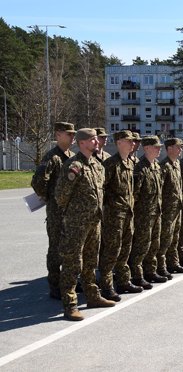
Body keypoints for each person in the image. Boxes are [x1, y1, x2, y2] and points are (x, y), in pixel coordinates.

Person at [54, 128, 116, 320]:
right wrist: (73, 214)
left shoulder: (97, 165)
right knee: (73, 264)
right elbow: (61, 196)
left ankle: (93, 296)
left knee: (91, 262)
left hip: (94, 222)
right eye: (92, 139)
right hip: (76, 224)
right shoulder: (73, 166)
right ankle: (70, 305)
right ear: (81, 143)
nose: (97, 142)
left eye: (96, 139)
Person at [31, 121, 76, 299]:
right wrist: (50, 198)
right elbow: (38, 182)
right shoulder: (51, 157)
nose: (72, 137)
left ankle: (69, 281)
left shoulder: (72, 156)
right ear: (58, 134)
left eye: (73, 134)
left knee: (70, 249)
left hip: (72, 212)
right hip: (57, 213)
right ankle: (55, 285)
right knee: (56, 250)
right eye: (68, 134)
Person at [98, 130, 140, 301]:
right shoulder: (110, 164)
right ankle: (106, 286)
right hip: (114, 215)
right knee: (111, 250)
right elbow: (102, 189)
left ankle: (123, 281)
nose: (133, 144)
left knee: (125, 249)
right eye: (128, 141)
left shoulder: (130, 164)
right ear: (119, 143)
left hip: (128, 213)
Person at [130, 136, 165, 288]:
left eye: (159, 146)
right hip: (144, 214)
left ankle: (150, 271)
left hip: (156, 212)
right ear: (147, 148)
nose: (159, 149)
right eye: (156, 146)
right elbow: (135, 194)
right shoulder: (140, 168)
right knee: (141, 245)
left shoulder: (156, 166)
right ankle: (137, 275)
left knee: (154, 243)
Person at [158, 138, 183, 276]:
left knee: (175, 236)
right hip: (167, 209)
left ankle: (173, 263)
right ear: (169, 148)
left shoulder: (177, 164)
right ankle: (161, 267)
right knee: (166, 238)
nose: (181, 149)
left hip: (177, 207)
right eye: (178, 147)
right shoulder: (164, 166)